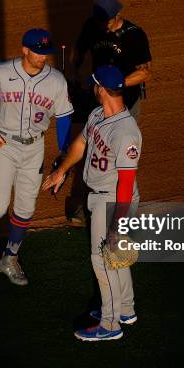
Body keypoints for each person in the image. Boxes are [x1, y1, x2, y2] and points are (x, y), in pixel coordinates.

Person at [0, 28, 74, 286]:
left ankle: (9, 258)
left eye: (46, 53)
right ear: (25, 50)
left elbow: (64, 117)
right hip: (3, 144)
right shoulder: (1, 72)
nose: (42, 58)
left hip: (34, 149)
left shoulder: (57, 81)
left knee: (26, 209)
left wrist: (63, 155)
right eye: (38, 53)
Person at [43, 65, 141, 341]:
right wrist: (61, 170)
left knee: (103, 260)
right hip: (102, 196)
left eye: (94, 85)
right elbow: (80, 144)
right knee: (116, 257)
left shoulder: (126, 132)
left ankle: (110, 325)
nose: (92, 89)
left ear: (102, 89)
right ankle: (125, 309)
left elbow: (125, 182)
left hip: (114, 200)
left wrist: (118, 225)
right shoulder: (98, 115)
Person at [66, 0, 152, 225]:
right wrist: (75, 75)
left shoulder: (134, 36)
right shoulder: (93, 26)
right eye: (98, 21)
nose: (102, 25)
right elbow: (79, 51)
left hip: (126, 102)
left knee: (120, 153)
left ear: (118, 15)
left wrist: (117, 84)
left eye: (107, 21)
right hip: (98, 95)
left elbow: (145, 72)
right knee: (92, 149)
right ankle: (83, 205)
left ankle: (122, 207)